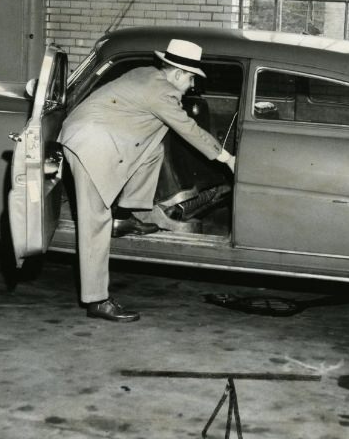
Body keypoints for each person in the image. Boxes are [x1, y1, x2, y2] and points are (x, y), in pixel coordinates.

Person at [58, 39, 236, 322]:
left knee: (154, 150)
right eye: (191, 78)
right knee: (95, 223)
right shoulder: (162, 92)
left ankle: (125, 215)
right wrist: (227, 158)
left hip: (101, 132)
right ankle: (97, 301)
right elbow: (189, 130)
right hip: (89, 144)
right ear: (177, 73)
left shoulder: (147, 73)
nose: (192, 85)